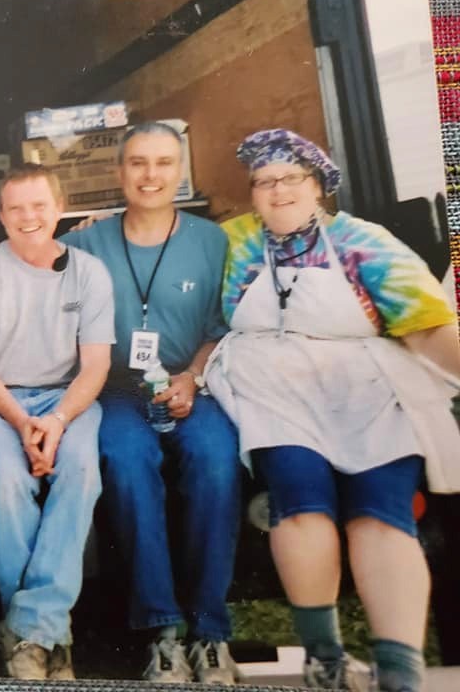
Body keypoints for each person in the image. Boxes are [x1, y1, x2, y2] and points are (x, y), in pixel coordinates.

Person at [205, 128, 460, 692]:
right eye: (262, 182)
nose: (277, 191)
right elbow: (198, 313)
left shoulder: (364, 242)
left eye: (290, 178)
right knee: (301, 503)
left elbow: (427, 328)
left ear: (318, 185)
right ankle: (325, 659)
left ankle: (400, 672)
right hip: (272, 387)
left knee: (382, 511)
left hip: (364, 384)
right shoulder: (231, 242)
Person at [62, 121, 241, 684]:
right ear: (119, 172)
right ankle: (162, 631)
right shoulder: (85, 242)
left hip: (191, 384)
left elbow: (221, 329)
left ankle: (210, 632)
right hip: (114, 389)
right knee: (125, 461)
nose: (150, 175)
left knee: (217, 462)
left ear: (180, 171)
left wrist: (191, 376)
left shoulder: (211, 241)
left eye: (163, 163)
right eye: (138, 162)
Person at [0, 164, 114, 680]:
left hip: (69, 399)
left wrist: (58, 421)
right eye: (15, 207)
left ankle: (28, 629)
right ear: (0, 216)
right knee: (8, 482)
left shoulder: (89, 273)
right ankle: (45, 634)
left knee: (81, 471)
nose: (28, 217)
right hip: (1, 402)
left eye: (39, 205)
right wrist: (22, 423)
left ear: (60, 209)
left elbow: (97, 365)